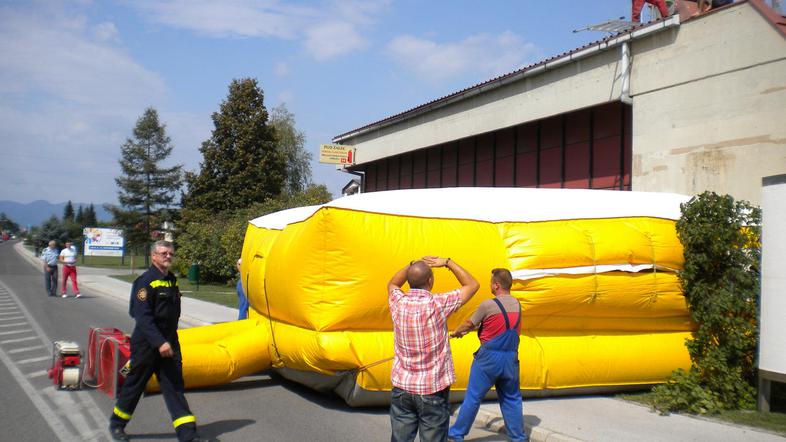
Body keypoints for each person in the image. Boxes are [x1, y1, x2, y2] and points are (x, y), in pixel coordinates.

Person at [109, 241, 208, 442]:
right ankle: (117, 424)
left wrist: (170, 342)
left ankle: (188, 435)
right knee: (134, 385)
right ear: (154, 256)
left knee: (175, 388)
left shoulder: (172, 280)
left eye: (171, 253)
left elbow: (173, 314)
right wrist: (159, 342)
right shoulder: (144, 282)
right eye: (163, 253)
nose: (168, 257)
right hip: (147, 346)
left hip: (169, 344)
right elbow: (141, 316)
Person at [388, 256, 480, 442]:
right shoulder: (438, 303)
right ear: (430, 281)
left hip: (402, 387)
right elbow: (472, 285)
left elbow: (392, 283)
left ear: (410, 280)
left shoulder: (398, 302)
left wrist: (412, 264)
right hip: (431, 389)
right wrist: (448, 262)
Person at [447, 268, 526, 442]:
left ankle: (456, 433)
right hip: (510, 359)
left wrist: (457, 332)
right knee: (512, 399)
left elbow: (470, 323)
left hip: (488, 359)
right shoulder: (517, 304)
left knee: (473, 397)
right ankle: (518, 437)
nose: (490, 285)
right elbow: (497, 326)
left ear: (496, 285)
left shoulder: (488, 305)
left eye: (491, 282)